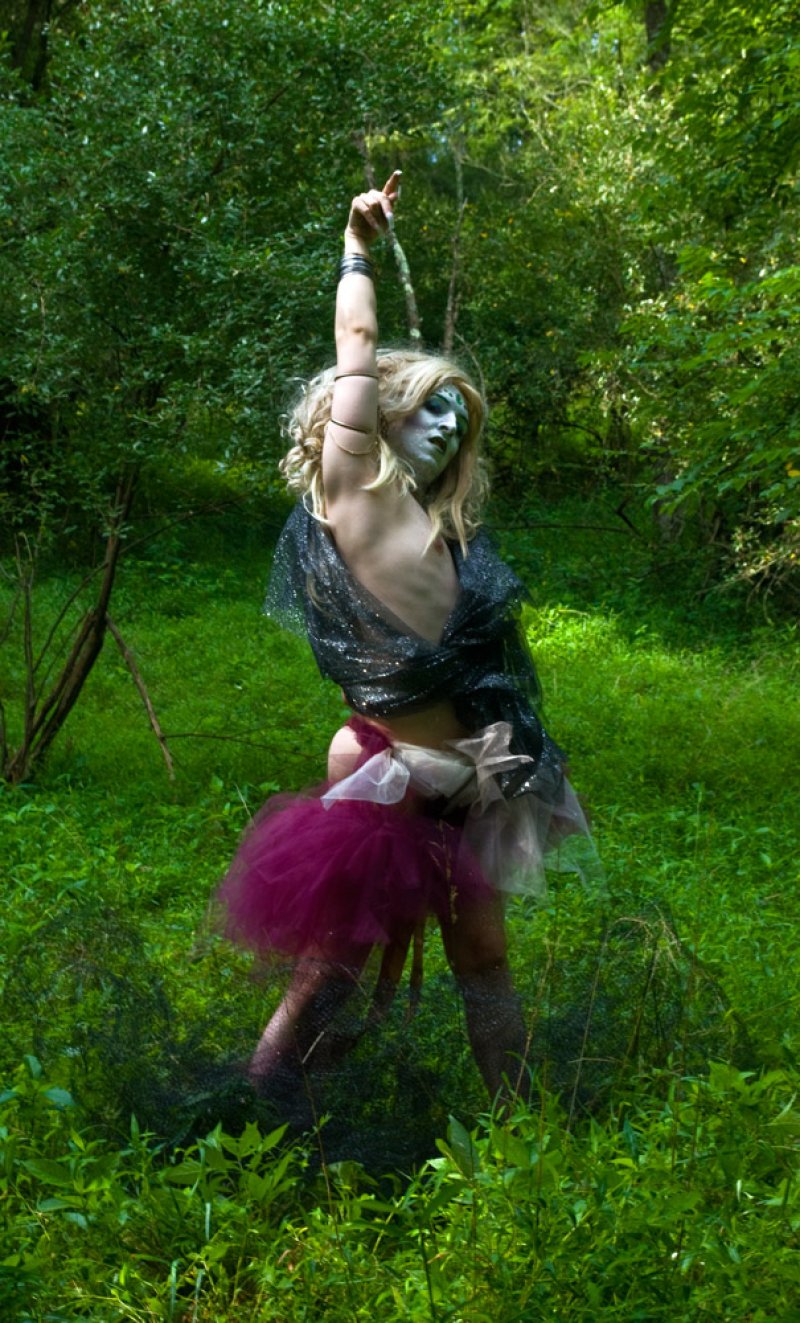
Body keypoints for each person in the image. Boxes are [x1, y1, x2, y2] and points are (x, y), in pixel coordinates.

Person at [219, 172, 596, 1106]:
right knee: (332, 965)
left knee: (485, 956)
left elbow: (484, 669)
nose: (447, 424)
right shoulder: (356, 487)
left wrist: (511, 760)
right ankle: (257, 1106)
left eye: (457, 417)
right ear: (381, 410)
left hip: (476, 774)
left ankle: (516, 1120)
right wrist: (358, 248)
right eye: (429, 405)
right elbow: (355, 343)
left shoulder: (443, 528)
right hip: (391, 778)